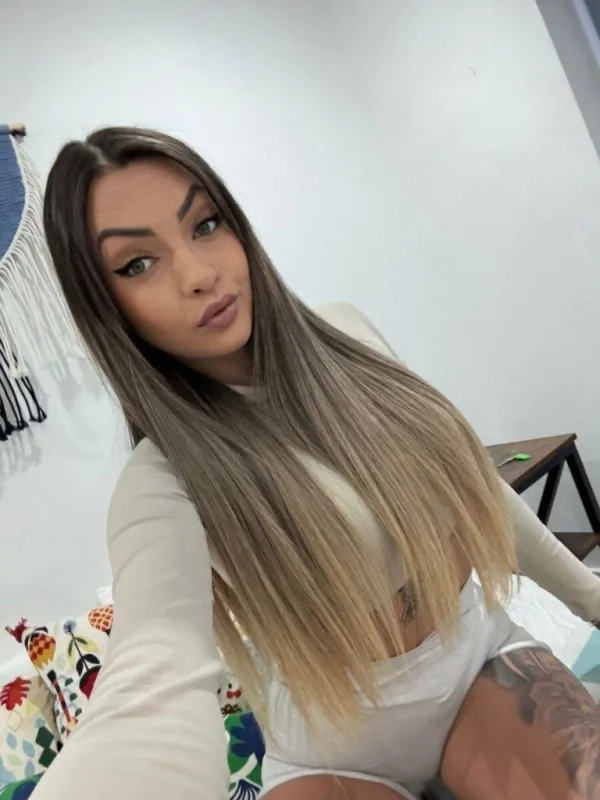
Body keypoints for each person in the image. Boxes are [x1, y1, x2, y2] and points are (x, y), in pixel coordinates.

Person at [37, 126, 600, 800]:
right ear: (106, 308)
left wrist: (592, 598)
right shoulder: (160, 485)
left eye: (205, 225)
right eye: (137, 263)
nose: (198, 274)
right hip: (334, 749)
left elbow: (471, 487)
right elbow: (153, 672)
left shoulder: (349, 334)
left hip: (474, 663)